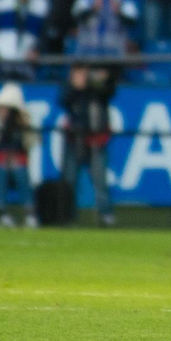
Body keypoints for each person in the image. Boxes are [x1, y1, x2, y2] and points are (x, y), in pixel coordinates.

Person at [59, 65, 117, 227]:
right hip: (74, 139)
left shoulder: (96, 90)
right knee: (69, 180)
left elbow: (109, 92)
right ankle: (67, 215)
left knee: (99, 180)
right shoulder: (69, 88)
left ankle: (105, 214)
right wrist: (76, 88)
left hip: (96, 139)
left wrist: (98, 81)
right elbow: (63, 101)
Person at [0, 82, 39, 229]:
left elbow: (32, 143)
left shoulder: (21, 124)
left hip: (16, 164)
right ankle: (1, 212)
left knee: (21, 172)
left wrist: (26, 125)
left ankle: (29, 213)